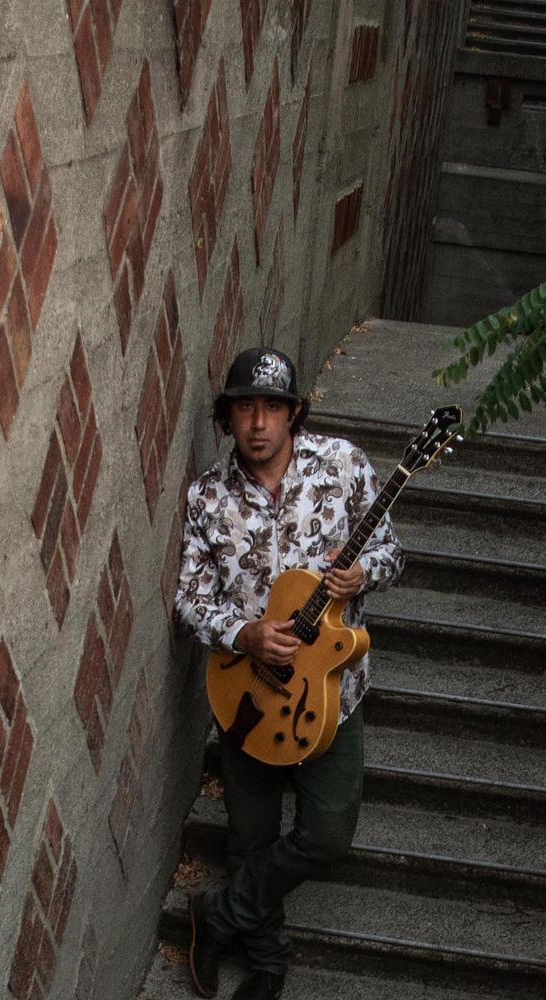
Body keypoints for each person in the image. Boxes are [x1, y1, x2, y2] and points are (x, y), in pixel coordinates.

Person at [173, 347, 404, 1000]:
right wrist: (243, 633)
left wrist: (364, 573)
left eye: (272, 407)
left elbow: (391, 552)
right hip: (246, 692)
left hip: (331, 695)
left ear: (293, 412)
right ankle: (268, 962)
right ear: (228, 416)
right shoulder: (207, 498)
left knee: (327, 836)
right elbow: (189, 598)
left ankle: (217, 914)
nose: (258, 422)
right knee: (249, 836)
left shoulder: (344, 466)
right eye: (245, 407)